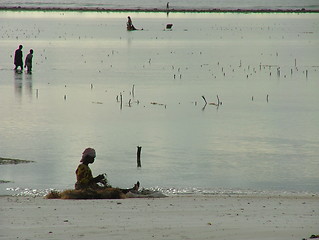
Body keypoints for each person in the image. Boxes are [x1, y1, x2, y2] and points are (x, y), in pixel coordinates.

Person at [75, 147, 140, 193]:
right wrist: (98, 179)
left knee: (110, 189)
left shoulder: (84, 167)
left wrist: (98, 179)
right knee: (111, 190)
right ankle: (130, 191)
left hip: (88, 188)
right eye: (92, 158)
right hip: (85, 189)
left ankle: (130, 190)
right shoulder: (83, 168)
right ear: (87, 157)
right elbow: (85, 183)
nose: (93, 160)